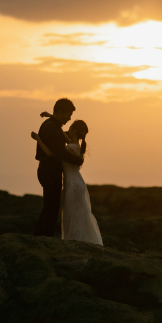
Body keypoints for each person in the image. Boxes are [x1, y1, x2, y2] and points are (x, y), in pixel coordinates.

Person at [32, 117, 103, 245]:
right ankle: (83, 241)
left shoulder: (69, 148)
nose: (67, 130)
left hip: (72, 185)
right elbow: (64, 135)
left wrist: (38, 139)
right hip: (77, 182)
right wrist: (52, 116)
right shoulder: (75, 146)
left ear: (74, 131)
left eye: (70, 128)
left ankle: (75, 241)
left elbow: (50, 152)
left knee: (72, 215)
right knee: (80, 214)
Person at [32, 98, 84, 237]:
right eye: (68, 115)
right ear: (60, 112)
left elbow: (66, 136)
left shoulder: (53, 125)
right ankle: (45, 237)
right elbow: (60, 153)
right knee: (52, 207)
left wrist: (50, 115)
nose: (69, 118)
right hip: (49, 171)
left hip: (49, 170)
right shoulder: (51, 127)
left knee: (50, 206)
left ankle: (40, 235)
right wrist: (78, 161)